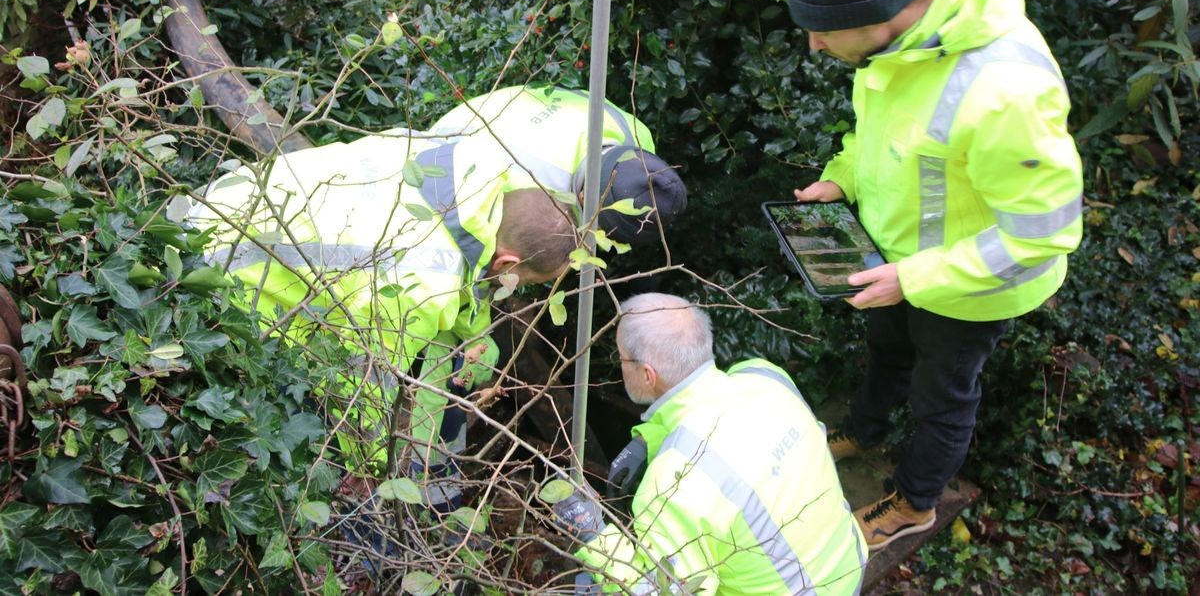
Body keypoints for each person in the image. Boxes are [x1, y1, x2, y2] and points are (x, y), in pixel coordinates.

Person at [785, 0, 1083, 549]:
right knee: (887, 352)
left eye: (821, 31)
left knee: (941, 400)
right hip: (893, 262)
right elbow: (883, 136)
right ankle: (862, 431)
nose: (812, 47)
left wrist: (913, 279)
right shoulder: (898, 43)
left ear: (877, 14)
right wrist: (841, 181)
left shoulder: (1007, 90)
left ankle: (916, 503)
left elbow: (1042, 235)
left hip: (972, 291)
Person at [189, 129, 577, 508]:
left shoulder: (477, 167)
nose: (516, 288)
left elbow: (469, 260)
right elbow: (365, 379)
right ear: (508, 261)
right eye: (522, 280)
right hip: (218, 265)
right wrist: (371, 467)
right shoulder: (422, 285)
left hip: (238, 194)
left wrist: (477, 334)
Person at [552, 293, 866, 594]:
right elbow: (714, 422)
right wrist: (652, 439)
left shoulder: (670, 488)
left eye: (621, 358)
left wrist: (595, 536)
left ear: (648, 375)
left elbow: (656, 591)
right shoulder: (765, 377)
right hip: (847, 566)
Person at [429, 85, 687, 245]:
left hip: (507, 102)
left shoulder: (635, 134)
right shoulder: (531, 186)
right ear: (583, 198)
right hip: (447, 143)